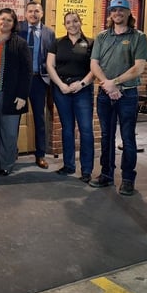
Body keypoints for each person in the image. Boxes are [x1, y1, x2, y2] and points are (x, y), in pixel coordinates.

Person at [90, 0, 147, 196]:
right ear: (110, 13)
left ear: (129, 13)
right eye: (114, 10)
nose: (118, 13)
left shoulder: (138, 37)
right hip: (105, 94)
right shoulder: (102, 37)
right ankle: (106, 175)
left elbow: (139, 67)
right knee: (106, 136)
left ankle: (127, 179)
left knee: (128, 137)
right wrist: (107, 84)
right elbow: (94, 64)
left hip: (128, 94)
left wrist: (115, 83)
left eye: (121, 10)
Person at [47, 11, 94, 182]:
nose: (72, 24)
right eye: (68, 22)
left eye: (75, 21)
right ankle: (68, 166)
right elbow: (50, 66)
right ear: (64, 25)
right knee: (67, 129)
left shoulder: (90, 43)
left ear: (80, 22)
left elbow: (94, 69)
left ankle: (87, 170)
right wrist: (61, 85)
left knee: (86, 130)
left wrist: (81, 84)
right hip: (62, 90)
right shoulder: (58, 43)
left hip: (82, 90)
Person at [0, 8, 32, 175]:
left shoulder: (20, 43)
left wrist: (22, 95)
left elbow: (27, 71)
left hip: (11, 96)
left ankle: (6, 164)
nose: (5, 22)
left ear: (14, 24)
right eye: (2, 18)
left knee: (8, 133)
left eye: (9, 20)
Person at [19, 1, 55, 168]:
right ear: (25, 14)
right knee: (14, 117)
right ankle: (12, 152)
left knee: (40, 119)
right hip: (19, 80)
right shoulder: (18, 29)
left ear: (42, 13)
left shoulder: (49, 33)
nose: (33, 14)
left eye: (37, 11)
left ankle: (40, 154)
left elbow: (53, 58)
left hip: (39, 80)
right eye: (30, 11)